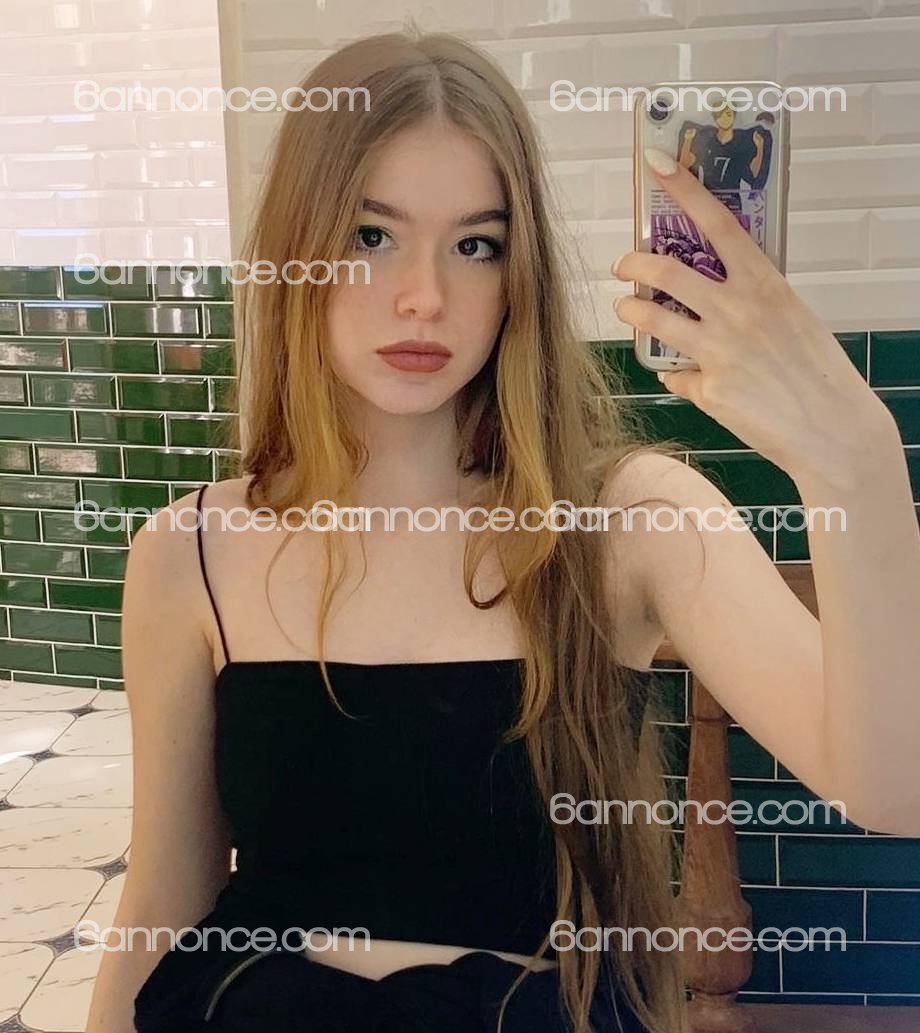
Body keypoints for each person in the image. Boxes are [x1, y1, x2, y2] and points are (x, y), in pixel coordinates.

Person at [85, 24, 920, 1033]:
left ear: (517, 272)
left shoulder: (628, 521)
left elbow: (893, 786)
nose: (425, 297)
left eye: (475, 244)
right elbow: (162, 899)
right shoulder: (187, 553)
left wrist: (854, 456)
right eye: (371, 235)